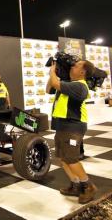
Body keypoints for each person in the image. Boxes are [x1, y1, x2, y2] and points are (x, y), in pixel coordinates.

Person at [46, 59, 96, 204]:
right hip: (63, 125)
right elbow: (49, 89)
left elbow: (55, 84)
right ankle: (75, 185)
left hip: (74, 126)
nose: (72, 66)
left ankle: (89, 186)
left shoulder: (80, 86)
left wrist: (52, 72)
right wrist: (54, 74)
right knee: (63, 158)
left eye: (76, 65)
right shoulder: (67, 84)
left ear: (83, 72)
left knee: (71, 158)